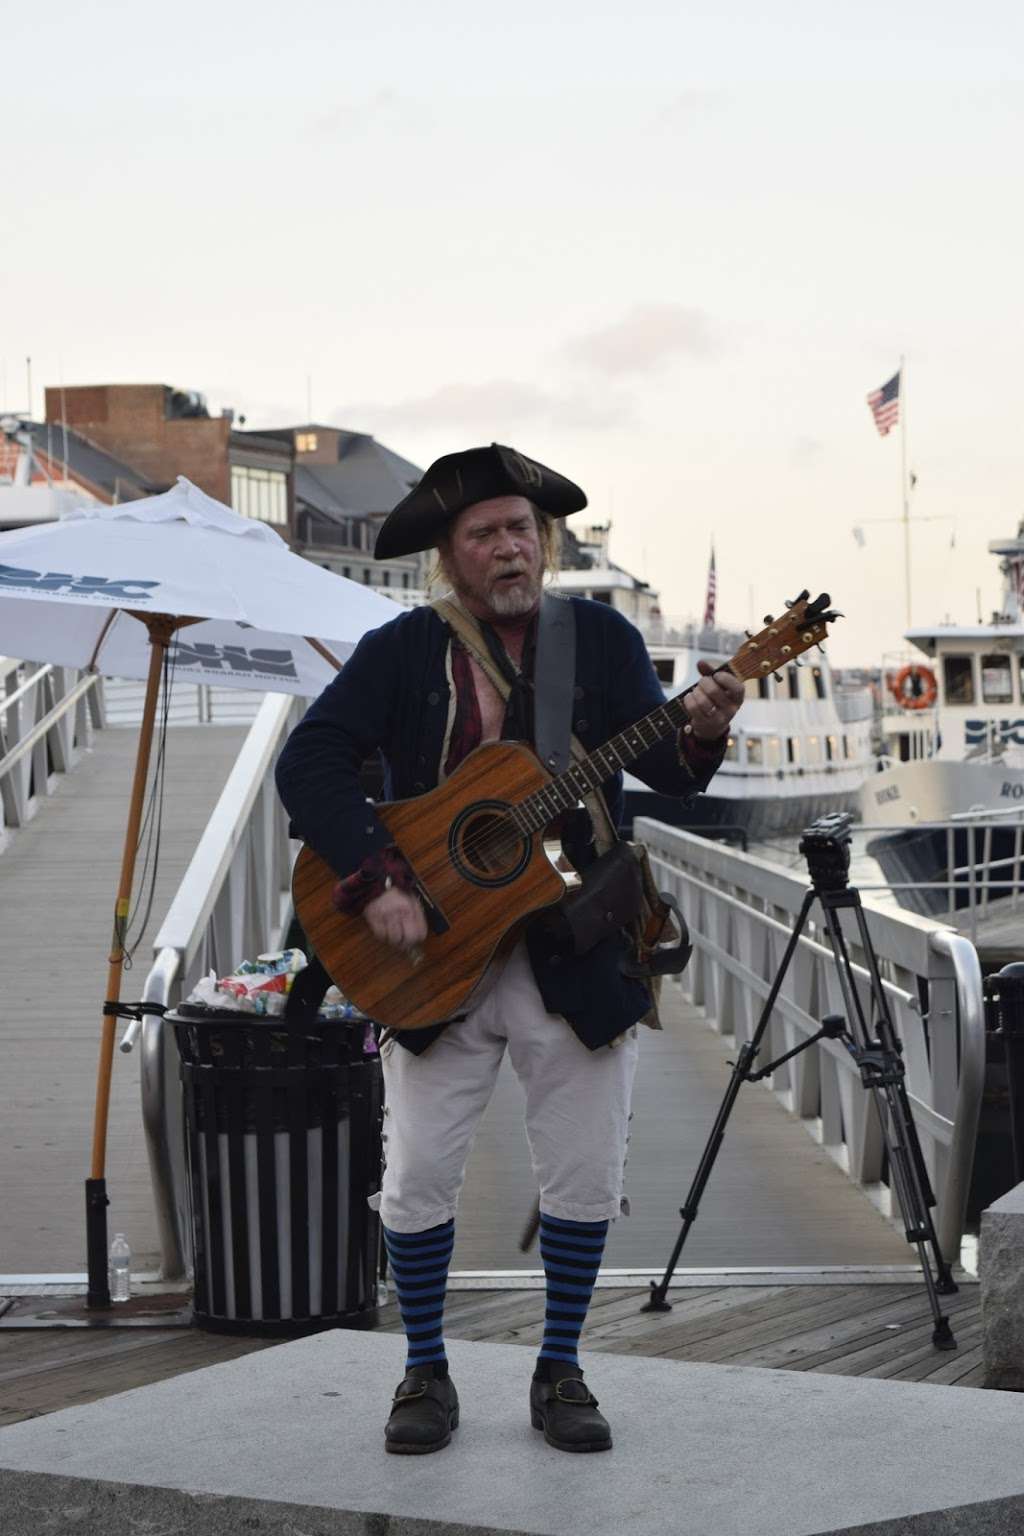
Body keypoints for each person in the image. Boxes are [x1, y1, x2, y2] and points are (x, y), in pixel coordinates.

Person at [275, 443, 744, 1455]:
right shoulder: (403, 650)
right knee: (414, 1181)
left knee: (582, 1173)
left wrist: (703, 728)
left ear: (546, 541)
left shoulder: (604, 643)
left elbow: (667, 768)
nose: (509, 549)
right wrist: (377, 877)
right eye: (484, 533)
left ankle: (562, 1366)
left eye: (522, 530)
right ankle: (422, 1373)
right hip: (430, 960)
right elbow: (307, 761)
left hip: (576, 947)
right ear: (450, 556)